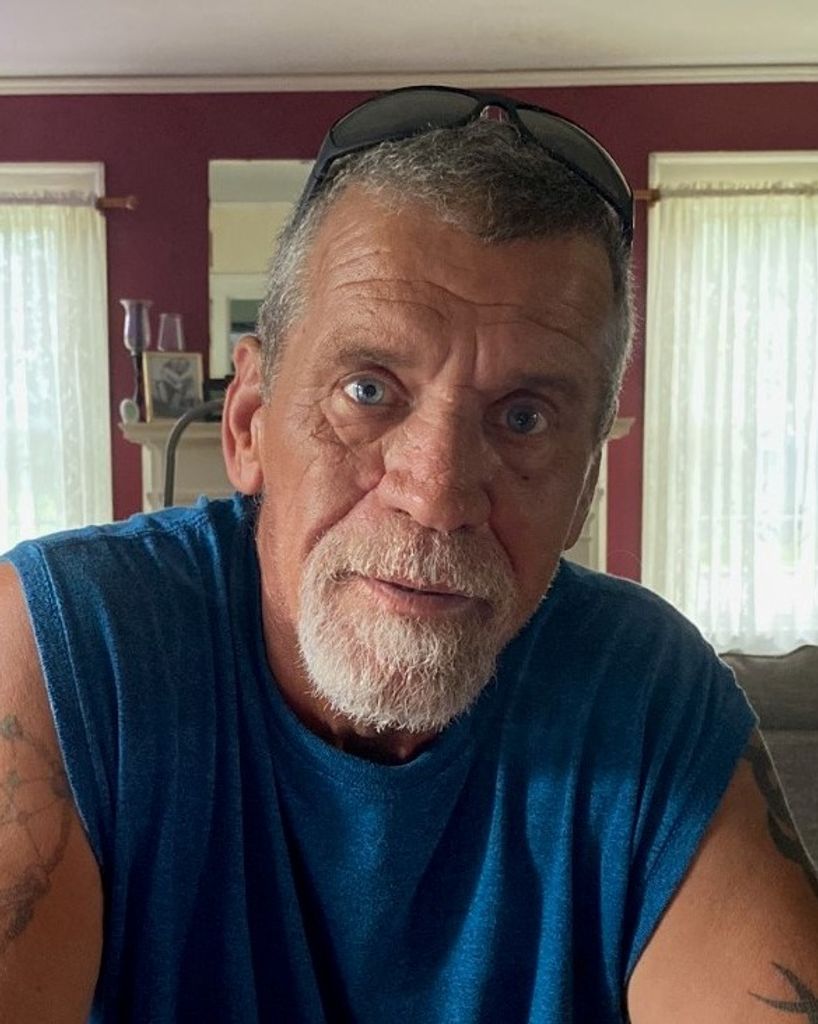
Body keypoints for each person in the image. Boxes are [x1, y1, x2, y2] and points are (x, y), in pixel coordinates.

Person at [1, 86, 816, 1023]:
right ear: (250, 422)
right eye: (368, 388)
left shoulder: (645, 691)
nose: (435, 497)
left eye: (524, 418)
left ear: (586, 484)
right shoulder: (69, 647)